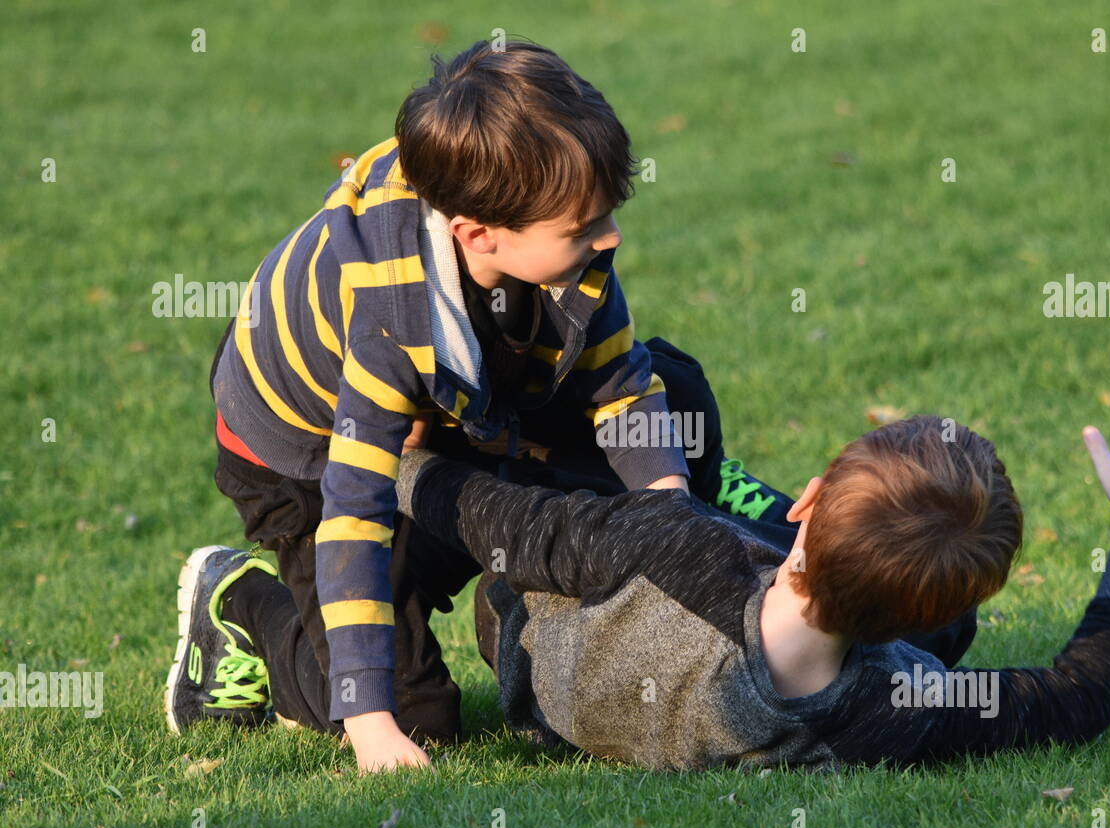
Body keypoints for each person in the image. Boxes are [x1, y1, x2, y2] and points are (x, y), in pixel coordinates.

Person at [164, 39, 795, 773]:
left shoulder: (543, 234)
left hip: (442, 410)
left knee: (672, 398)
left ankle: (482, 562)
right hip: (303, 464)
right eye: (584, 228)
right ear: (478, 233)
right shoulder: (387, 319)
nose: (611, 237)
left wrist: (673, 526)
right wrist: (371, 729)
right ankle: (242, 606)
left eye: (607, 215)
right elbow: (354, 515)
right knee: (415, 715)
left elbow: (622, 388)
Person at [393, 402, 1110, 770]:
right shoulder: (896, 708)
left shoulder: (676, 544)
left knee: (670, 380)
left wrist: (409, 457)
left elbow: (500, 521)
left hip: (526, 643)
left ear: (810, 497)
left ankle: (738, 499)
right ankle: (755, 513)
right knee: (943, 628)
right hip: (568, 705)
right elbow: (1077, 698)